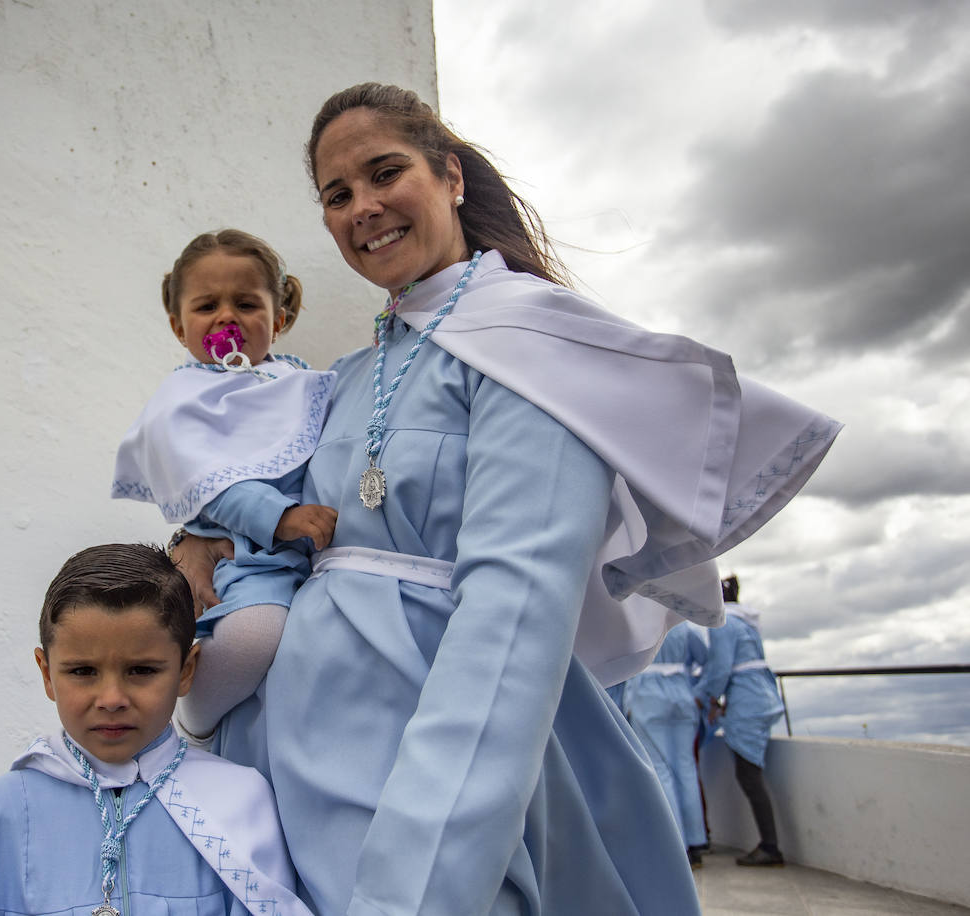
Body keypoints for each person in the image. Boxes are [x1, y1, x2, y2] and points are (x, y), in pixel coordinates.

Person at [171, 82, 840, 915]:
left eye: (386, 173)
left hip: (430, 782)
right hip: (296, 772)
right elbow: (271, 518)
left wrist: (418, 885)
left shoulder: (537, 351)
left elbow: (511, 623)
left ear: (451, 176)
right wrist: (196, 538)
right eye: (337, 195)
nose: (363, 207)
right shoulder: (344, 377)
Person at [0, 543, 312, 916]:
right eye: (83, 671)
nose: (112, 698)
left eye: (142, 670)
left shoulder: (239, 801)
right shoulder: (0, 812)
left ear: (186, 671)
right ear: (47, 674)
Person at [111, 230, 337, 760]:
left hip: (317, 560)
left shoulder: (299, 381)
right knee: (253, 637)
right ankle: (196, 727)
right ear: (178, 325)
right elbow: (206, 486)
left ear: (279, 317)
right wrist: (280, 517)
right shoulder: (182, 398)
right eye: (207, 305)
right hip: (248, 558)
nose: (226, 318)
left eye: (247, 303)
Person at [695, 574, 788, 867]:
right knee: (752, 774)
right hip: (763, 694)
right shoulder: (747, 622)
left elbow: (720, 668)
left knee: (749, 775)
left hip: (747, 700)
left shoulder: (725, 623)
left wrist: (706, 697)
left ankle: (770, 847)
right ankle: (769, 844)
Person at [625, 623, 712, 867]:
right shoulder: (684, 625)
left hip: (648, 696)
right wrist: (700, 693)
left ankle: (676, 845)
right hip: (683, 696)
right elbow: (709, 660)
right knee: (687, 769)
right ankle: (696, 842)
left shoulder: (640, 619)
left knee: (661, 770)